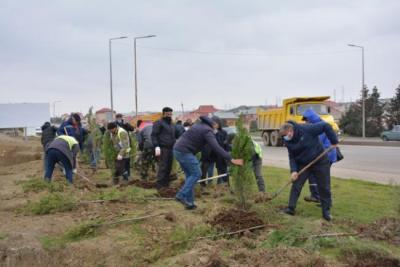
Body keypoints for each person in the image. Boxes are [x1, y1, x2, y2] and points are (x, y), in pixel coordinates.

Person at [173, 116, 243, 209]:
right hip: (185, 152)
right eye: (217, 126)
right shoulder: (207, 130)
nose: (216, 128)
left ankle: (190, 203)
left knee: (190, 176)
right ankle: (181, 195)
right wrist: (231, 159)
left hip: (177, 150)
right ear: (215, 124)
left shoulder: (198, 125)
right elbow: (216, 147)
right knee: (196, 174)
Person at [279, 120, 338, 221]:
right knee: (296, 184)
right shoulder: (287, 141)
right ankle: (290, 208)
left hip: (319, 160)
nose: (285, 138)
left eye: (285, 135)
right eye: (283, 137)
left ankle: (326, 212)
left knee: (324, 186)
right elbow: (292, 156)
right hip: (303, 163)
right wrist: (293, 171)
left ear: (290, 131)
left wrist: (334, 141)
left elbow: (325, 126)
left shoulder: (307, 129)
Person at [302, 109, 338, 203]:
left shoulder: (320, 127)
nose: (306, 122)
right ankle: (319, 197)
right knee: (317, 176)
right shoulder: (318, 124)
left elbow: (317, 143)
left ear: (311, 119)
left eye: (306, 120)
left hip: (326, 155)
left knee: (320, 177)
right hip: (325, 154)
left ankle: (322, 198)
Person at [151, 107, 177, 188]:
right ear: (163, 114)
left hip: (171, 148)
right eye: (168, 114)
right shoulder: (159, 123)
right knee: (163, 166)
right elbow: (154, 135)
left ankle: (166, 184)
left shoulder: (172, 124)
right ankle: (159, 185)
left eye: (170, 114)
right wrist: (156, 146)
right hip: (163, 148)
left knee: (169, 166)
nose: (169, 115)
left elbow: (174, 135)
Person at [211, 116, 229, 184]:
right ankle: (219, 182)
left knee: (223, 169)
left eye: (215, 124)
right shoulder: (211, 132)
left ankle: (225, 182)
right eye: (213, 124)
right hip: (214, 153)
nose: (214, 125)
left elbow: (225, 143)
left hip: (222, 153)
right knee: (218, 168)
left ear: (219, 123)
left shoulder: (223, 132)